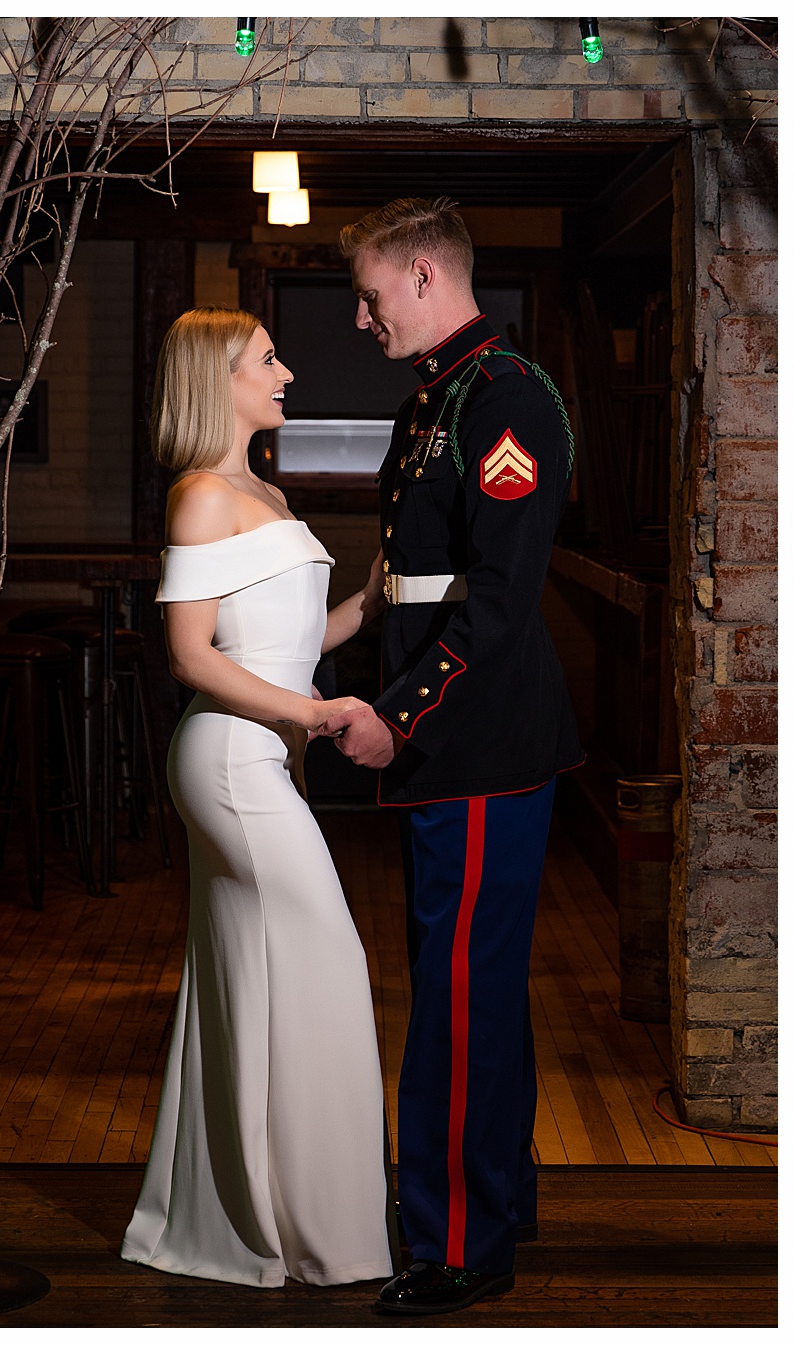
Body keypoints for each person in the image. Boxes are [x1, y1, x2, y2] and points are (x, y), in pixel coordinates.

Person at [319, 198, 584, 1316]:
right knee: (474, 989)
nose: (363, 319)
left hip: (473, 742)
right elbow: (407, 581)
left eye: (373, 295)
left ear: (425, 276)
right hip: (453, 744)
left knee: (459, 999)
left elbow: (503, 604)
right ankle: (498, 1197)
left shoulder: (505, 398)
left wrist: (403, 714)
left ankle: (457, 1245)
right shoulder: (441, 397)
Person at [122, 308, 393, 1287]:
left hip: (254, 760)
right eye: (267, 358)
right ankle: (331, 1233)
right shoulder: (200, 496)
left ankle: (248, 1216)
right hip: (231, 764)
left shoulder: (263, 490)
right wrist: (316, 719)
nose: (285, 371)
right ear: (220, 380)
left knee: (248, 982)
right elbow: (193, 654)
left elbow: (289, 643)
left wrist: (371, 600)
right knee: (327, 959)